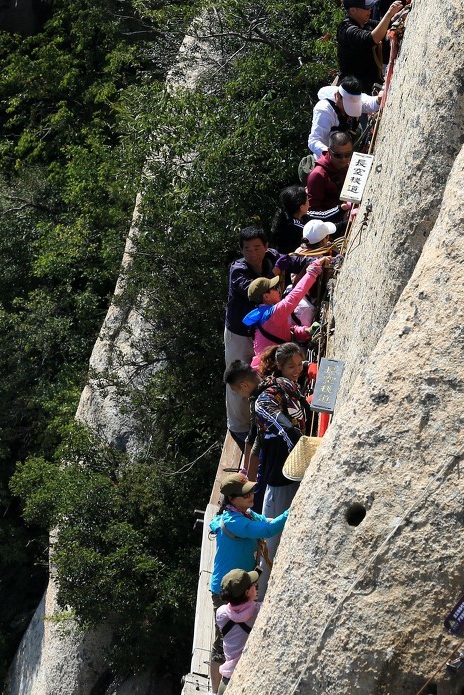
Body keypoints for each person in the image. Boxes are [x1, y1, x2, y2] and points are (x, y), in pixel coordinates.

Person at [207, 474, 287, 687]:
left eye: (251, 490)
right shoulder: (234, 521)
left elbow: (267, 522)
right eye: (246, 494)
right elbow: (269, 530)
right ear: (233, 499)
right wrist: (294, 509)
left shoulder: (247, 514)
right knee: (223, 643)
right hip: (226, 589)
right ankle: (216, 690)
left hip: (242, 583)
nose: (252, 495)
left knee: (239, 635)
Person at [253, 341, 308, 585]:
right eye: (291, 366)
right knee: (273, 532)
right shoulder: (271, 392)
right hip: (281, 471)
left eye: (299, 364)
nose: (297, 369)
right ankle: (263, 593)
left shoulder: (291, 387)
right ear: (279, 366)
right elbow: (265, 408)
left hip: (294, 466)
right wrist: (297, 440)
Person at [224, 226, 280, 449]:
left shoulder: (271, 258)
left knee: (261, 372)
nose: (253, 253)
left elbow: (288, 259)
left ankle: (261, 419)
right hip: (239, 333)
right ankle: (238, 426)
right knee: (238, 378)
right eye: (247, 249)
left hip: (261, 332)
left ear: (266, 247)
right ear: (241, 250)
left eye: (258, 247)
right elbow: (249, 289)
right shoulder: (238, 270)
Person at [242, 256, 329, 360]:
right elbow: (294, 296)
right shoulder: (272, 314)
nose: (279, 289)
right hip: (272, 368)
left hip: (268, 366)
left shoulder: (263, 314)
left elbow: (288, 330)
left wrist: (307, 330)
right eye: (274, 288)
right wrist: (314, 269)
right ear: (266, 296)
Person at [338, 0, 403, 93]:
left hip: (369, 85)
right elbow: (372, 38)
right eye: (366, 7)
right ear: (353, 11)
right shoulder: (347, 30)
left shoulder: (365, 22)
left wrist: (396, 17)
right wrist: (389, 14)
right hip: (353, 90)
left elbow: (384, 26)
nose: (370, 10)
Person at [308, 76, 380, 157]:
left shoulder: (353, 96)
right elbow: (314, 141)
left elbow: (370, 103)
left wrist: (378, 99)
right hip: (330, 158)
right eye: (348, 107)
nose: (349, 113)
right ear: (338, 96)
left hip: (352, 149)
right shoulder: (324, 111)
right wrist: (333, 155)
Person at [215, 569, 261, 693]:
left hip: (227, 680)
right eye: (252, 585)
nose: (255, 585)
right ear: (247, 592)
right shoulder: (259, 612)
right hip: (246, 677)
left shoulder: (221, 613)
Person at [306, 130, 355, 222]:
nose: (343, 159)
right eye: (338, 155)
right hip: (336, 222)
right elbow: (313, 212)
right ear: (329, 151)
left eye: (347, 154)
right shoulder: (318, 175)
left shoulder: (351, 164)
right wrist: (340, 212)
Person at [269, 185, 310, 255]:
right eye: (307, 200)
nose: (309, 203)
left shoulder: (285, 218)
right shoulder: (298, 228)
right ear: (301, 207)